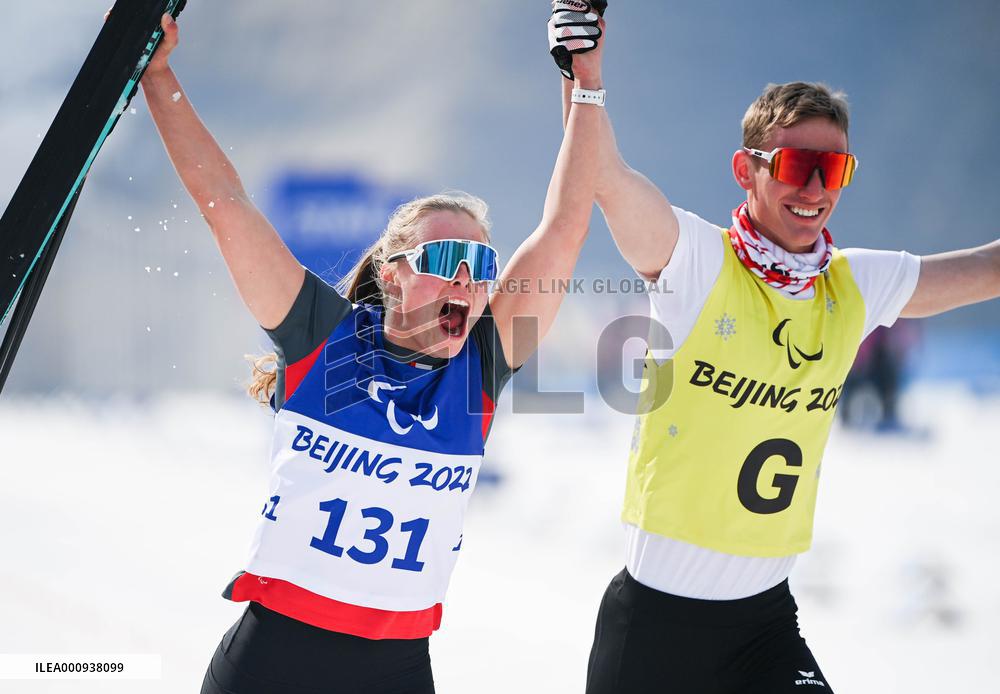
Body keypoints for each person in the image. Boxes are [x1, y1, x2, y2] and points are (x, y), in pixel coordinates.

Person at [140, 11, 605, 694]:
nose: (468, 278)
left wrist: (584, 82)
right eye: (446, 257)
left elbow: (565, 227)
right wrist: (157, 75)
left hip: (394, 668)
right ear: (392, 274)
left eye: (481, 262)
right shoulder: (322, 341)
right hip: (274, 661)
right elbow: (226, 203)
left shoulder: (479, 369)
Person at [547, 5, 1000, 693]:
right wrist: (585, 73)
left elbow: (991, 268)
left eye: (834, 169)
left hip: (764, 626)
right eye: (795, 164)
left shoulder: (854, 284)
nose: (815, 188)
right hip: (655, 629)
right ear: (745, 169)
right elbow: (602, 178)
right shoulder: (700, 263)